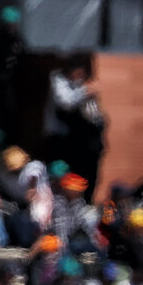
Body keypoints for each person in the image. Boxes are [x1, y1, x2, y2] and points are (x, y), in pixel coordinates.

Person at [46, 63, 106, 198]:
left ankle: (82, 199)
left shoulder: (81, 87)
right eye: (78, 73)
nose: (81, 77)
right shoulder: (60, 82)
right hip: (63, 139)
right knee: (63, 171)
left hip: (86, 142)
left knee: (86, 173)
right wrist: (85, 90)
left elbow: (95, 115)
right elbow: (66, 102)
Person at [0, 6, 26, 136]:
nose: (12, 26)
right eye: (9, 23)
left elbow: (23, 58)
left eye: (13, 23)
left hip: (15, 84)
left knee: (13, 113)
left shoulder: (18, 39)